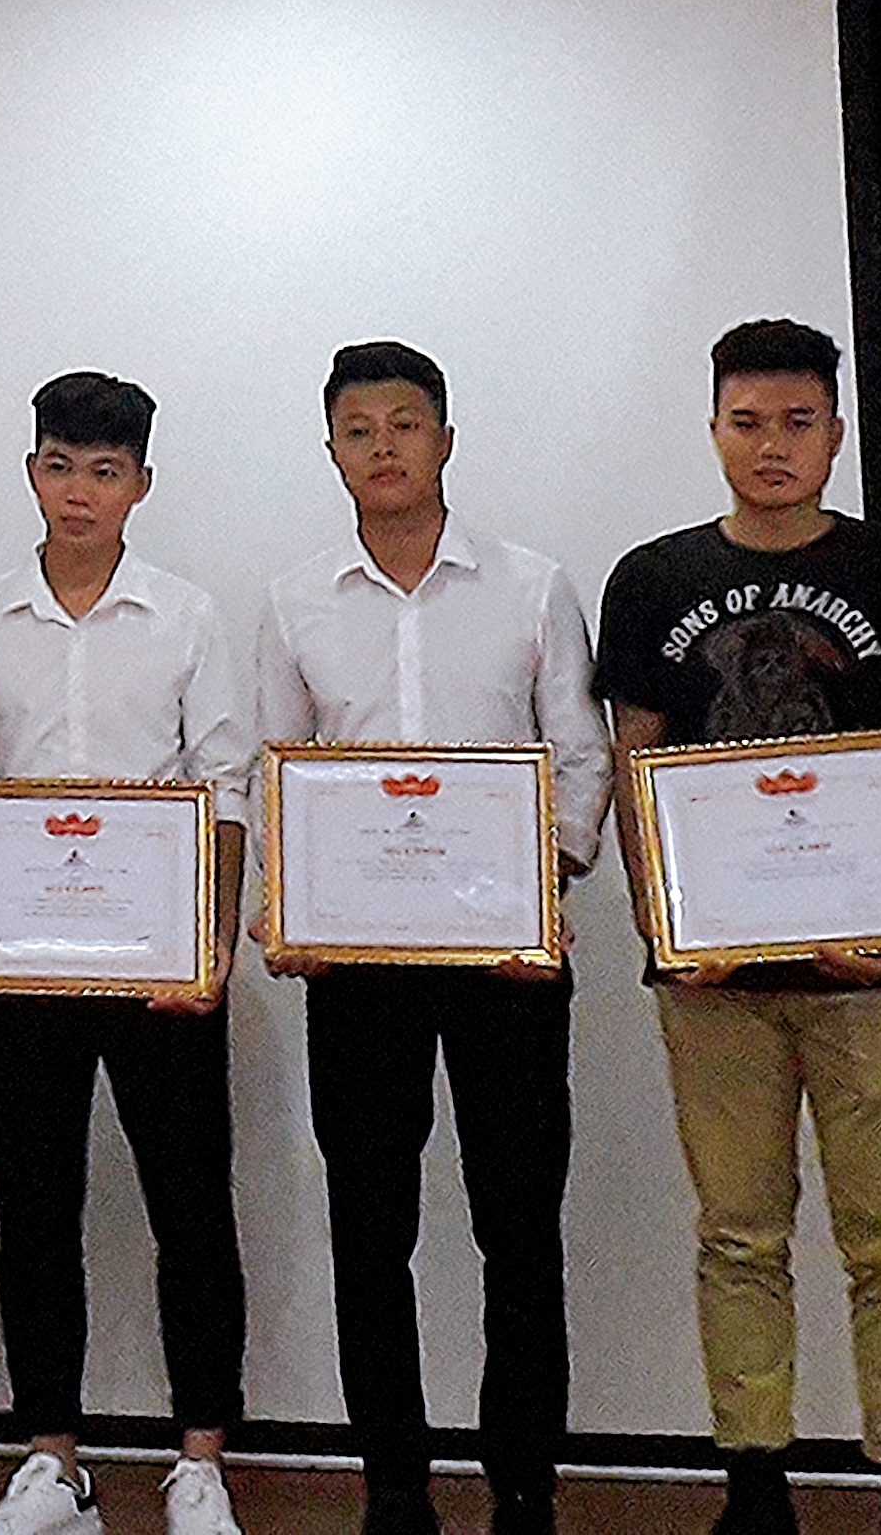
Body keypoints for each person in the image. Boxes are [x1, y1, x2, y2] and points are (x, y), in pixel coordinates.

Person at [595, 321, 881, 1535]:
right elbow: (636, 762)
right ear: (714, 429)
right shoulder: (653, 580)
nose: (773, 446)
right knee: (739, 1237)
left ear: (836, 434)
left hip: (872, 972)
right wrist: (668, 923)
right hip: (716, 976)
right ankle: (755, 1483)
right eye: (748, 422)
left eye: (798, 423)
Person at [258, 343, 612, 1535]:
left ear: (446, 439)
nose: (384, 448)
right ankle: (395, 1484)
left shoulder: (532, 587)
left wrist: (540, 882)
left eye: (406, 424)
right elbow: (277, 772)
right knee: (370, 1229)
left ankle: (525, 1482)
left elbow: (580, 757)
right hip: (359, 969)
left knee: (519, 1226)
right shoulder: (296, 601)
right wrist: (290, 905)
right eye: (359, 431)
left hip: (507, 960)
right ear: (332, 453)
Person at [0, 373, 255, 1535]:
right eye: (60, 466)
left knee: (191, 1212)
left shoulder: (189, 618)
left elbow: (224, 789)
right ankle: (52, 1462)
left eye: (105, 472)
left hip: (163, 967)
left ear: (141, 486)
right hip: (23, 966)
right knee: (34, 1216)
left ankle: (201, 1461)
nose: (80, 492)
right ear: (33, 473)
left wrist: (212, 949)